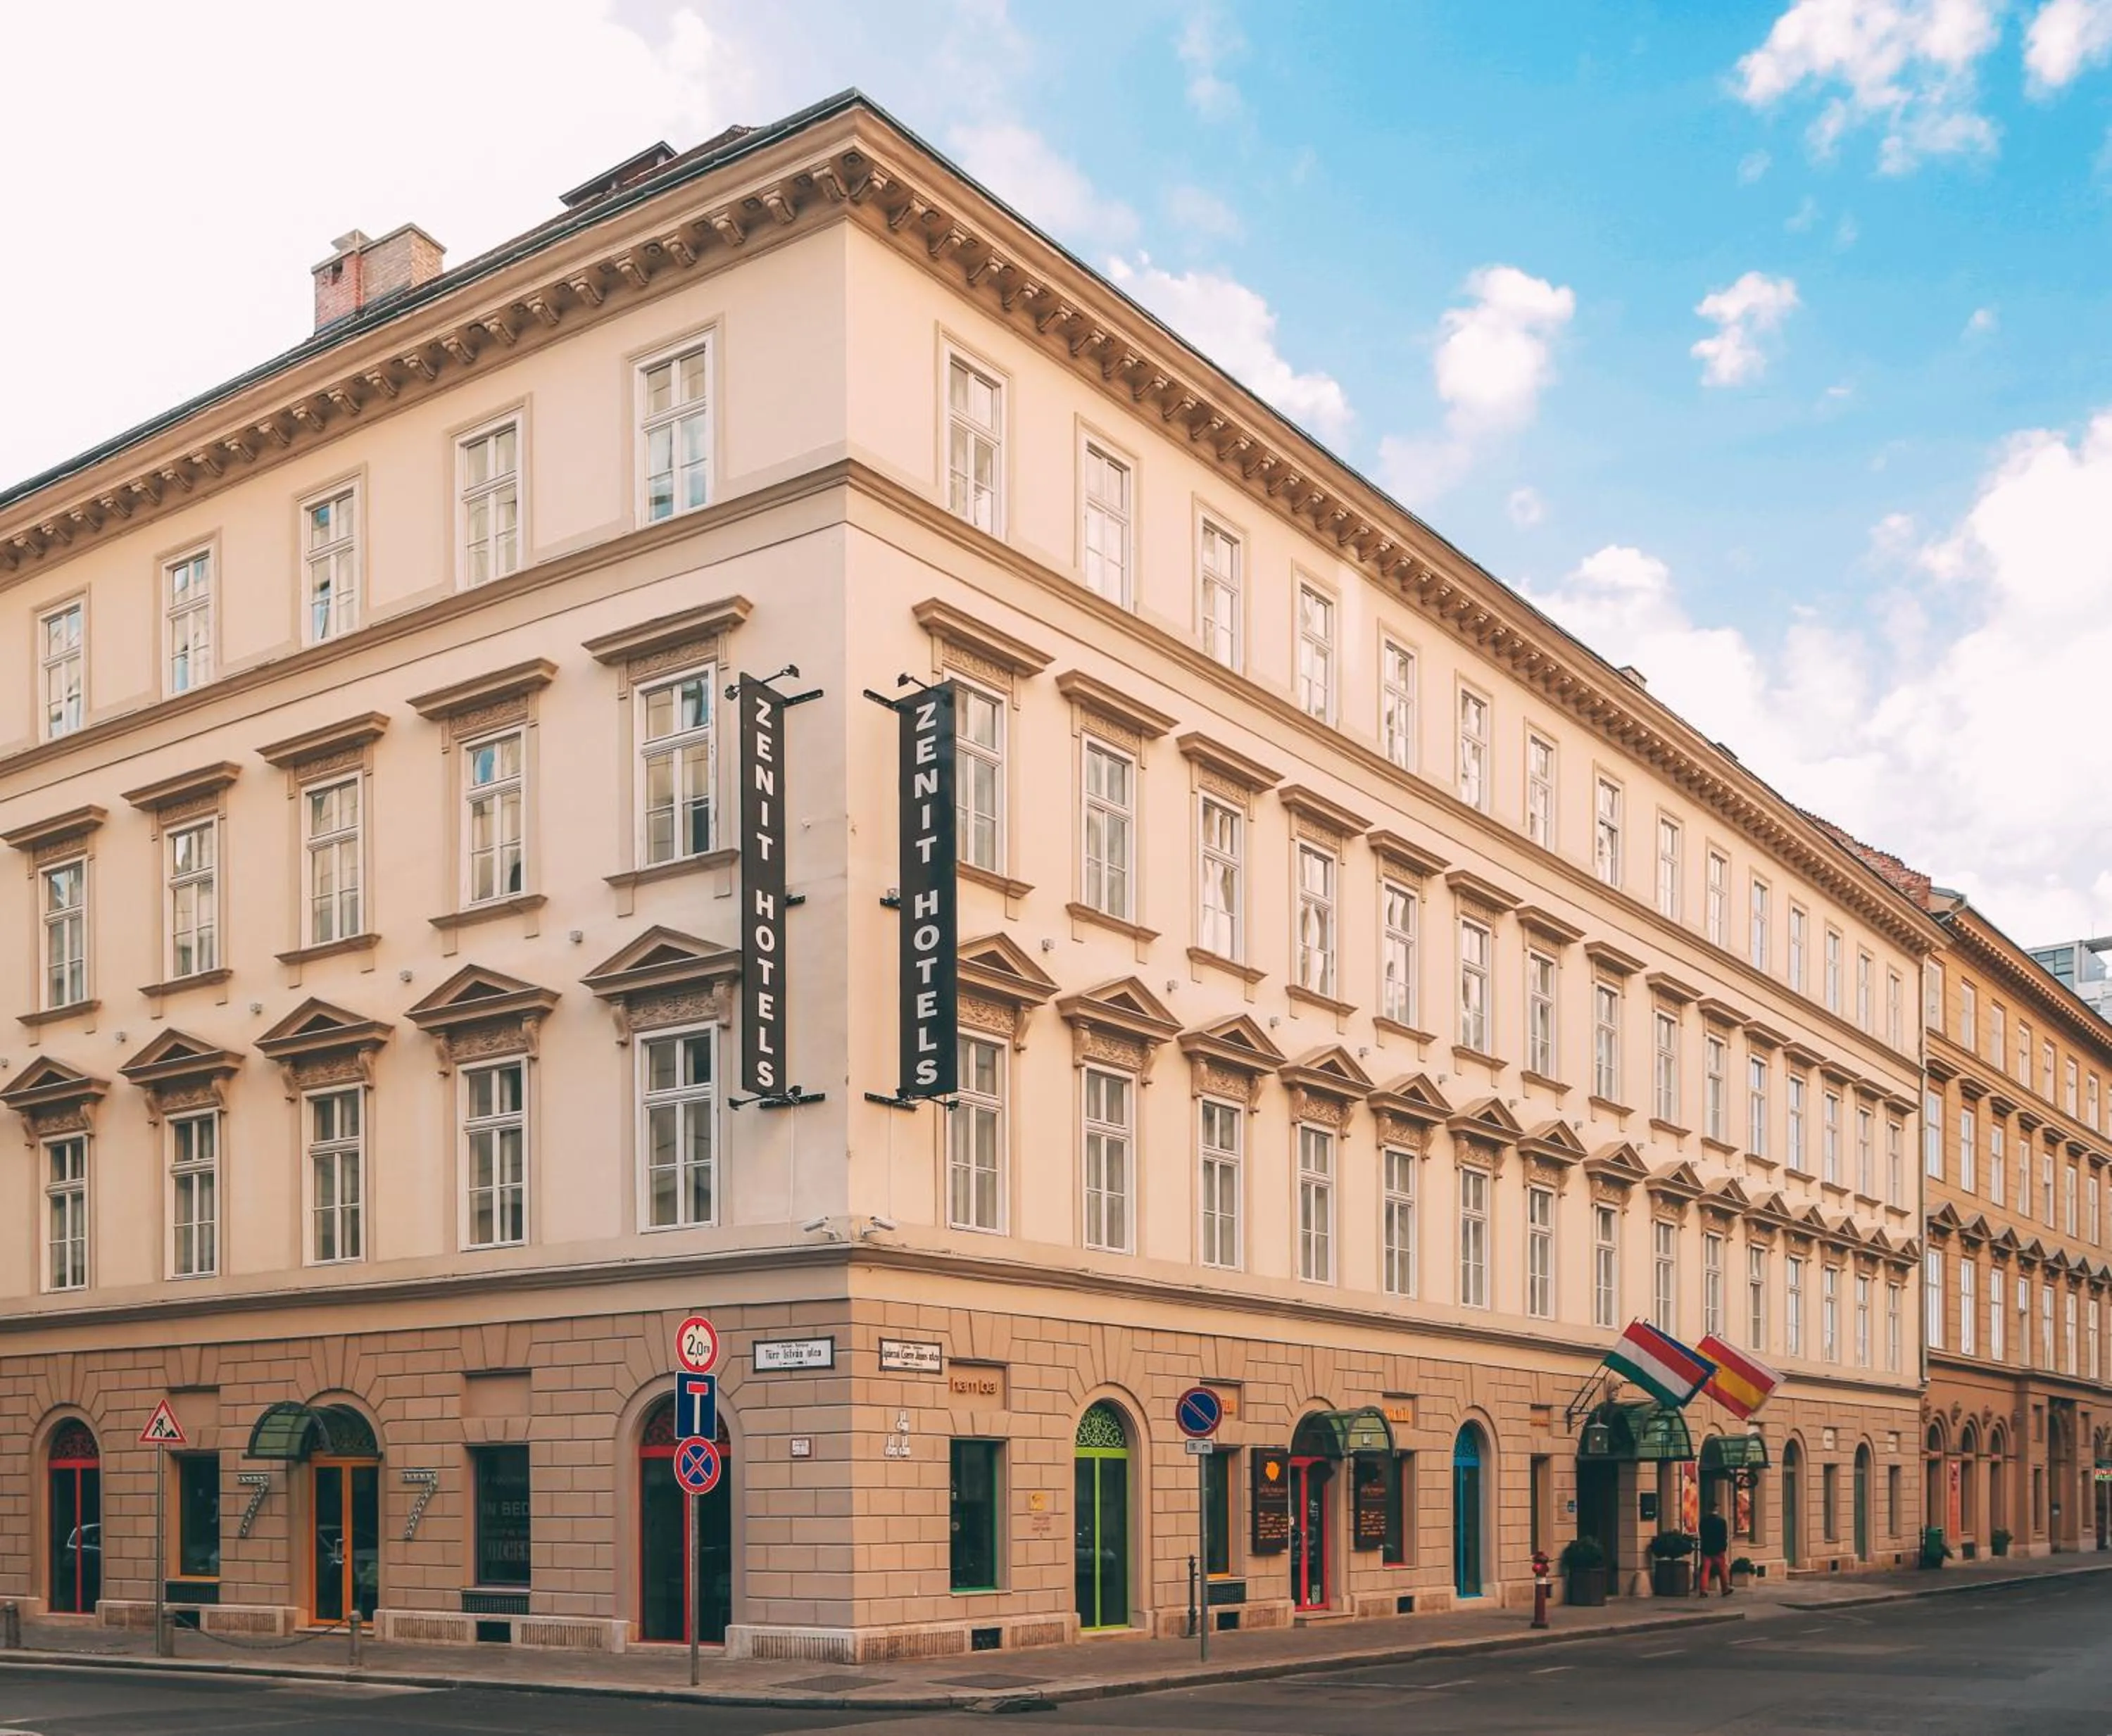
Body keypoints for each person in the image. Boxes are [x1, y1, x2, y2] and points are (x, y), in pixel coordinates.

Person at [1699, 1507, 1733, 1597]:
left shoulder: (1703, 1521)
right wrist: (1724, 1547)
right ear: (1716, 1510)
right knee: (1722, 1570)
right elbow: (1724, 1536)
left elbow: (1702, 1534)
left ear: (1708, 1510)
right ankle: (1725, 1589)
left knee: (1705, 1570)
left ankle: (1703, 1590)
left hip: (1707, 1549)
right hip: (1719, 1549)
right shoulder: (1721, 1522)